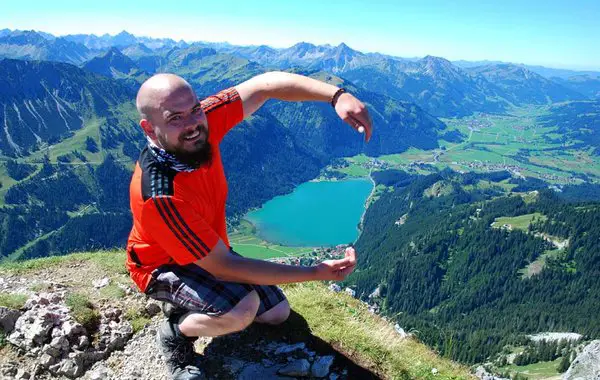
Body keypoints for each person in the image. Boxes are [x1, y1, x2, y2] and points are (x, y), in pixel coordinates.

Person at [126, 71, 373, 379]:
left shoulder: (203, 122)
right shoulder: (160, 195)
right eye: (174, 118)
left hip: (207, 249)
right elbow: (222, 266)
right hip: (161, 265)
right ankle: (176, 331)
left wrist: (337, 96)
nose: (192, 124)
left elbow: (264, 86)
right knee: (242, 310)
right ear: (150, 128)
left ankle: (202, 307)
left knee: (276, 313)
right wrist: (313, 273)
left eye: (194, 109)